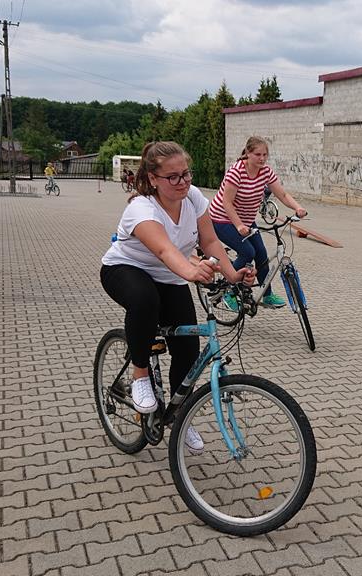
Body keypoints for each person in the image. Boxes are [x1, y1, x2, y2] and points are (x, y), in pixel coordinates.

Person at [100, 141, 254, 452]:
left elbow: (209, 241)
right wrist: (191, 271)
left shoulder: (193, 197)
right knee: (145, 300)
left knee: (188, 349)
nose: (182, 182)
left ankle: (179, 415)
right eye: (173, 177)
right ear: (153, 178)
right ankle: (140, 376)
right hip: (126, 269)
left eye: (186, 174)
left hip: (171, 275)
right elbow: (163, 249)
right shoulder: (141, 208)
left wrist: (232, 274)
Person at [209, 136, 306, 309]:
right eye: (257, 154)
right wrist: (239, 225)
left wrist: (297, 208)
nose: (262, 159)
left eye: (265, 155)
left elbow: (282, 194)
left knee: (261, 253)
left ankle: (267, 295)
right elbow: (227, 203)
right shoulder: (236, 172)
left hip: (246, 221)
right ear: (248, 153)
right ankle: (228, 290)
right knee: (248, 252)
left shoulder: (265, 172)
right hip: (222, 219)